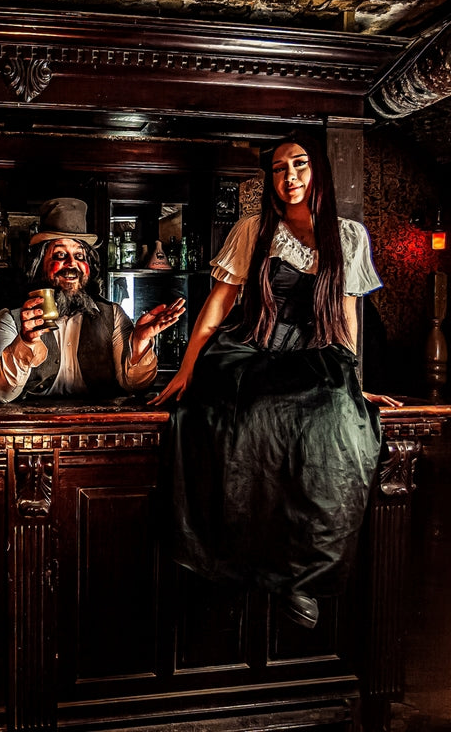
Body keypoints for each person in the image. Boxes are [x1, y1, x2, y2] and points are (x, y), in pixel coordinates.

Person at [150, 132, 400, 630]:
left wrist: (352, 383)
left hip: (315, 353)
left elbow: (347, 317)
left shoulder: (348, 235)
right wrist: (187, 367)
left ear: (318, 169)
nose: (290, 176)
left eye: (299, 164)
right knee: (239, 412)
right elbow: (218, 304)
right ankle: (231, 566)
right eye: (280, 168)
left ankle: (298, 575)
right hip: (252, 349)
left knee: (334, 414)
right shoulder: (254, 228)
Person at [0, 197, 184, 402]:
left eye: (80, 256)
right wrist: (25, 342)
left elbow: (136, 385)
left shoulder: (113, 316)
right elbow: (0, 393)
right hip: (32, 422)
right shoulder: (11, 320)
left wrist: (140, 342)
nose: (72, 264)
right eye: (60, 255)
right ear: (39, 264)